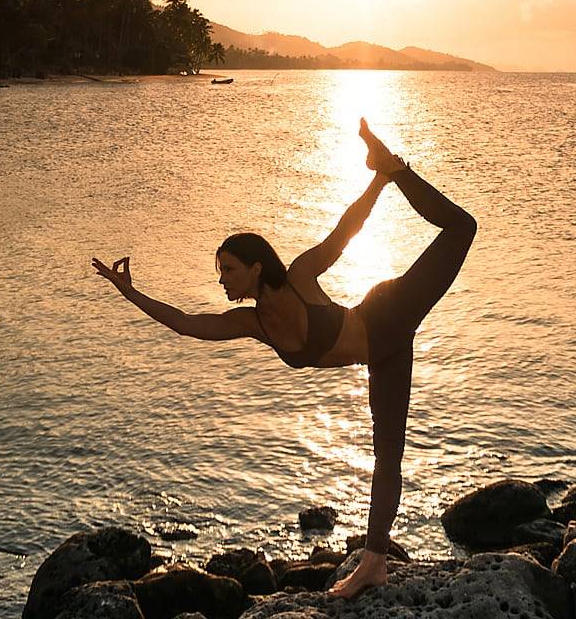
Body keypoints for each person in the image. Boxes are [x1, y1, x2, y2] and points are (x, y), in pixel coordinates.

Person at [93, 119, 476, 598]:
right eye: (220, 272)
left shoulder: (299, 277)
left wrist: (379, 181)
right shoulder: (253, 324)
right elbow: (186, 323)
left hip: (388, 314)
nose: (223, 281)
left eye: (228, 270)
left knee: (463, 227)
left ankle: (392, 168)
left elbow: (345, 231)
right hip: (384, 356)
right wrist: (130, 293)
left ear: (256, 267)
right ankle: (375, 562)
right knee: (387, 455)